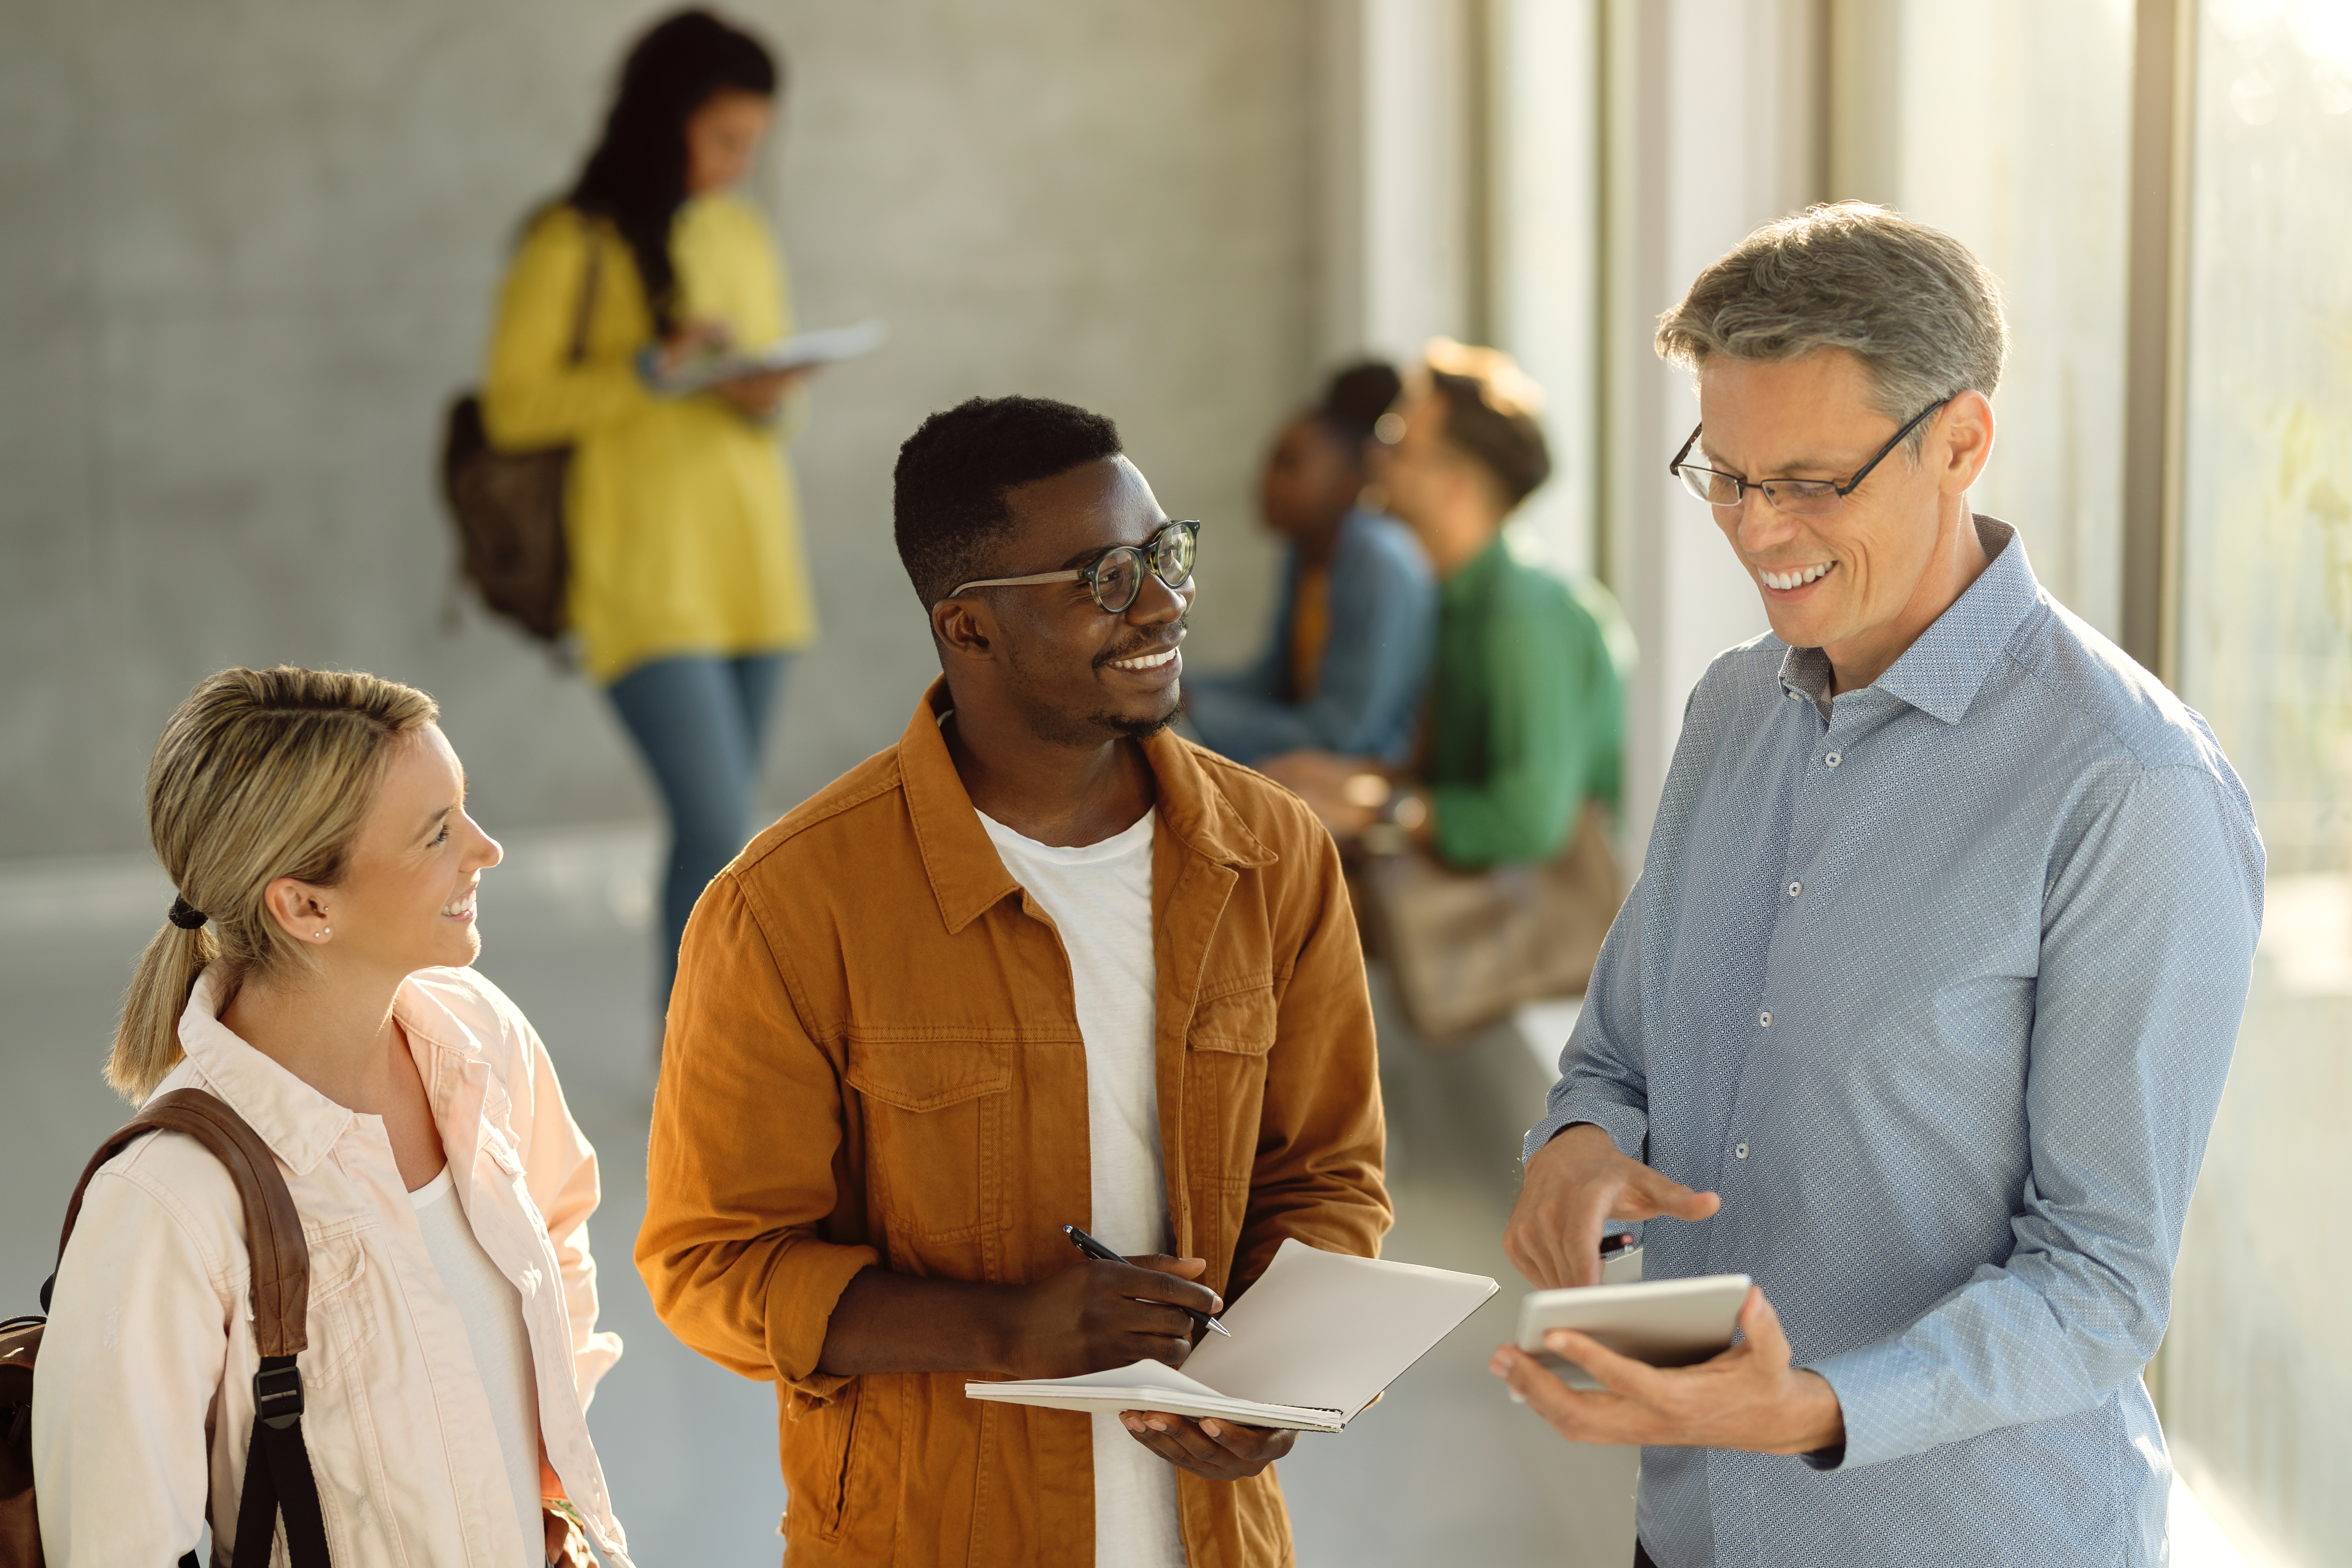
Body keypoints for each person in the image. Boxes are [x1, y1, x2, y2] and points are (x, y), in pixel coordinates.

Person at [1491, 204, 2264, 1568]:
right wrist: (1576, 1146)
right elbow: (1617, 1053)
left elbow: (2101, 1282)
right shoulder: (1734, 708)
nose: (1754, 527)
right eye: (1723, 474)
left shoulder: (2128, 787)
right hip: (1694, 1523)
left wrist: (1815, 1408)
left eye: (1808, 480)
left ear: (1962, 440)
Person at [635, 395, 1391, 1566]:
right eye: (1101, 578)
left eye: (1162, 553)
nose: (1162, 601)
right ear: (969, 628)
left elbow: (1326, 1177)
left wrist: (1274, 1381)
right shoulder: (786, 906)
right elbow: (711, 1267)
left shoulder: (1273, 854)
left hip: (1214, 1536)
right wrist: (1005, 1326)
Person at [34, 666, 633, 1567]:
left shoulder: (481, 1039)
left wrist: (533, 1482)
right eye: (438, 833)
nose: (486, 848)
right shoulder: (167, 1204)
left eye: (464, 808)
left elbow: (558, 1235)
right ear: (306, 906)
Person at [481, 9, 814, 1008]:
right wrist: (648, 372)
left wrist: (759, 395)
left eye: (753, 142)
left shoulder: (742, 232)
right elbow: (513, 407)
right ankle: (711, 1070)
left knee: (711, 837)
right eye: (723, 140)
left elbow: (776, 416)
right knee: (722, 831)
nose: (739, 163)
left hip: (755, 567)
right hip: (643, 578)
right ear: (663, 120)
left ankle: (687, 1064)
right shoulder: (569, 240)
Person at [1265, 340, 1628, 869]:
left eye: (1396, 443)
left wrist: (1376, 810)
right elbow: (1452, 780)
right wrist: (1338, 782)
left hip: (1533, 934)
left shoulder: (1525, 614)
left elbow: (1529, 819)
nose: (1374, 456)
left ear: (1456, 486)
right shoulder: (1456, 597)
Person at [1185, 361, 1436, 765]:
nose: (1266, 481)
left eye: (1289, 464)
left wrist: (1192, 709)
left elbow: (1345, 734)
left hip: (1367, 780)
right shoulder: (1307, 551)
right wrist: (1167, 689)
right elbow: (1273, 683)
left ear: (1349, 480)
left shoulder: (1377, 559)